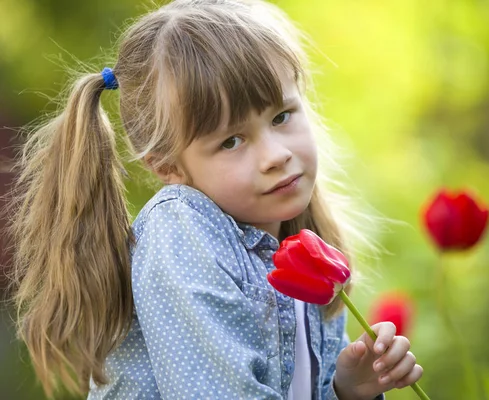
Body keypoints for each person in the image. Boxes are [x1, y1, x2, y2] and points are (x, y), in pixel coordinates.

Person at [8, 0, 423, 399]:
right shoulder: (181, 230)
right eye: (232, 141)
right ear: (169, 167)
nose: (276, 155)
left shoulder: (305, 254)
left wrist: (346, 391)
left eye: (281, 117)